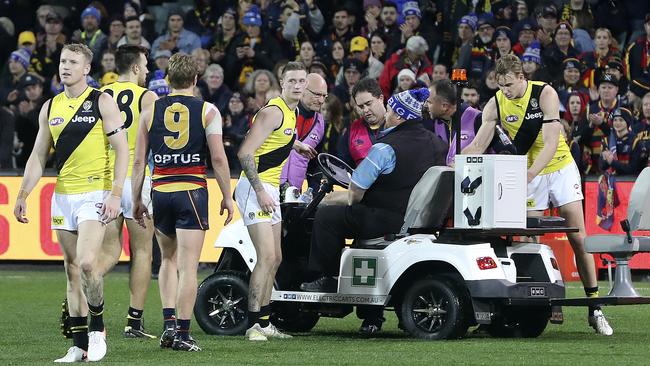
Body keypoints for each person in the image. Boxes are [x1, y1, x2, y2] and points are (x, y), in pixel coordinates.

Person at [462, 54, 613, 336]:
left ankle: (595, 307)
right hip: (528, 173)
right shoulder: (495, 103)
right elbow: (478, 145)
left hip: (559, 169)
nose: (505, 90)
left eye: (509, 84)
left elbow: (552, 141)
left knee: (578, 238)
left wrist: (530, 174)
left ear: (522, 77)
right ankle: (539, 302)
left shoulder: (545, 93)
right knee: (527, 239)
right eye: (500, 85)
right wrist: (457, 162)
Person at [13, 43, 129, 362]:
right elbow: (38, 155)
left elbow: (121, 149)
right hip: (63, 195)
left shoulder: (102, 101)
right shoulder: (50, 107)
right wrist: (23, 194)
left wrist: (116, 193)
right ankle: (78, 345)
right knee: (72, 269)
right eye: (63, 61)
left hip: (95, 193)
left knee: (89, 262)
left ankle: (97, 329)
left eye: (73, 62)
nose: (66, 67)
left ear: (86, 69)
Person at [300, 87, 447, 335]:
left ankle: (325, 276)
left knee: (327, 216)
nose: (387, 114)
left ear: (399, 115)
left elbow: (355, 192)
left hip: (386, 218)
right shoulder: (437, 143)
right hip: (420, 220)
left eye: (390, 110)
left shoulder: (384, 148)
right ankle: (370, 313)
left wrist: (335, 200)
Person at [131, 52, 234, 351]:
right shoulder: (208, 111)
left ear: (167, 80)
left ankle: (168, 327)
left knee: (167, 260)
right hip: (191, 189)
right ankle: (184, 333)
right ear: (195, 79)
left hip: (160, 191)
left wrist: (138, 199)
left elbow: (139, 162)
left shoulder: (149, 112)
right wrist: (227, 195)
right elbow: (217, 157)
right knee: (188, 267)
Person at [235, 61, 316, 341]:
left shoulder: (290, 114)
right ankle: (253, 324)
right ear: (282, 83)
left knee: (276, 257)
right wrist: (259, 191)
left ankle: (266, 321)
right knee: (266, 256)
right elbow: (245, 153)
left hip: (269, 188)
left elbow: (278, 137)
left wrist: (297, 145)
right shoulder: (273, 112)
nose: (297, 85)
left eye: (301, 81)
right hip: (255, 187)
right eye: (291, 80)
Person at [96, 45, 159, 338]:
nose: (147, 70)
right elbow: (155, 139)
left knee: (108, 251)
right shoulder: (148, 97)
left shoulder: (100, 96)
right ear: (135, 67)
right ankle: (134, 322)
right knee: (143, 250)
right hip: (136, 179)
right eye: (145, 65)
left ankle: (85, 302)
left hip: (107, 180)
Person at [280, 73, 327, 190]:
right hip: (268, 187)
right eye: (317, 95)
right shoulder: (279, 111)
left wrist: (313, 191)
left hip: (294, 193)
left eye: (324, 96)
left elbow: (315, 161)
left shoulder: (320, 123)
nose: (321, 100)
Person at [338, 78, 386, 168]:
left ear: (381, 98)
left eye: (368, 103)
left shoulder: (397, 125)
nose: (365, 110)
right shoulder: (351, 130)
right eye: (361, 106)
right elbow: (342, 167)